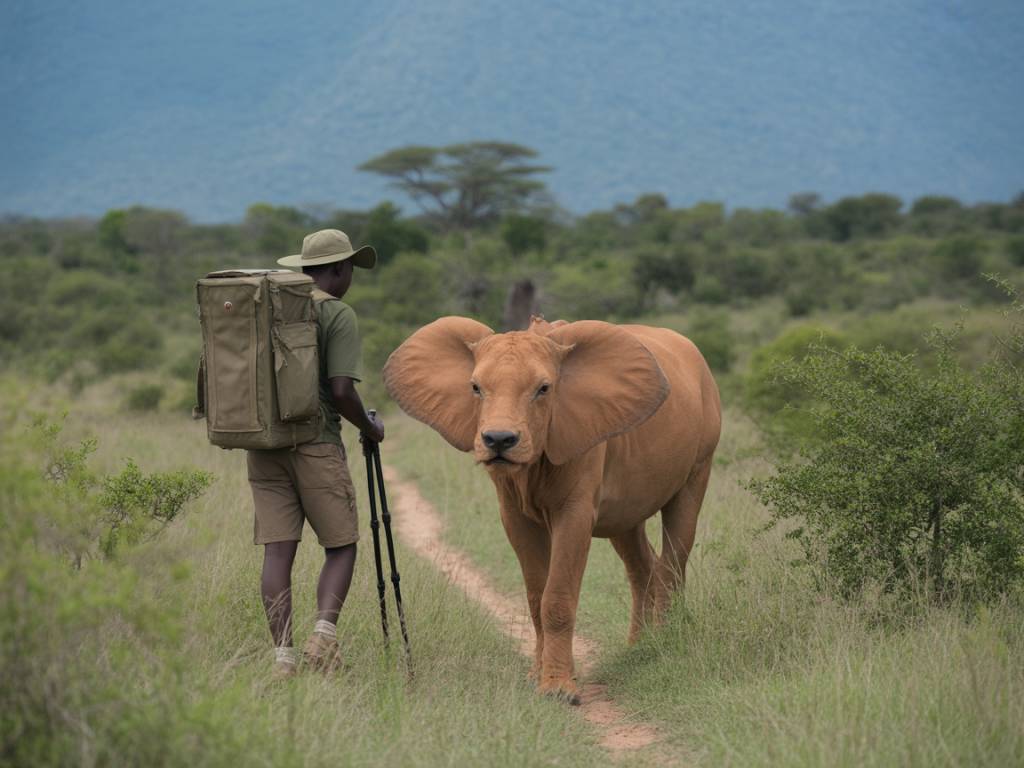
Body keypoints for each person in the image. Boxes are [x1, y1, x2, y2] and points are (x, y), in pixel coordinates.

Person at [246, 229, 385, 680]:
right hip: (316, 441)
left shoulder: (264, 307)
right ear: (340, 269)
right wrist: (370, 427)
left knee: (277, 552)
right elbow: (342, 391)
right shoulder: (336, 312)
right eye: (349, 270)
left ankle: (282, 659)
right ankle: (323, 638)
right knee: (341, 544)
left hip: (264, 446)